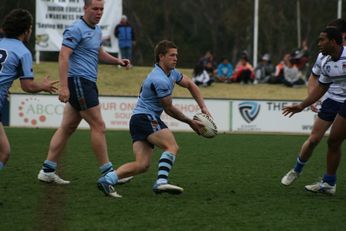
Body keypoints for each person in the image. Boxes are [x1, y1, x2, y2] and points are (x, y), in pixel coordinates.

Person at [37, 0, 130, 197]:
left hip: (86, 83)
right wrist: (64, 86)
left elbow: (98, 53)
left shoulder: (96, 31)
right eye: (95, 9)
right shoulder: (75, 29)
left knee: (67, 127)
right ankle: (109, 173)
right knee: (99, 125)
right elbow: (63, 56)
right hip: (79, 82)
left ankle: (47, 170)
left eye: (102, 9)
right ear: (85, 9)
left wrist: (118, 61)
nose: (98, 12)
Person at [97, 40, 212, 196]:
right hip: (145, 118)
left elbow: (191, 84)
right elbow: (169, 108)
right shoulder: (159, 79)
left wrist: (203, 107)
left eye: (176, 55)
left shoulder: (172, 73)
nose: (176, 58)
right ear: (161, 57)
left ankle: (107, 180)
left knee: (142, 165)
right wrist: (190, 122)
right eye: (172, 55)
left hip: (137, 120)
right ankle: (161, 182)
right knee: (172, 146)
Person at [281, 19, 346, 188]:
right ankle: (299, 170)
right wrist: (301, 105)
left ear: (333, 41)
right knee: (315, 139)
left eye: (321, 40)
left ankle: (329, 182)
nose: (318, 44)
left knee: (334, 141)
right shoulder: (325, 60)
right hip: (332, 100)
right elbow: (321, 87)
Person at [0, 9, 58, 173]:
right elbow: (28, 86)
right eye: (30, 28)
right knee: (3, 153)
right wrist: (44, 86)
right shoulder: (22, 52)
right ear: (26, 31)